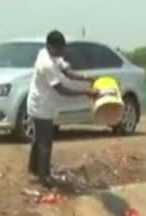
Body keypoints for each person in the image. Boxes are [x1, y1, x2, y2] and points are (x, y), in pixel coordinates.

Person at [27, 30, 95, 187]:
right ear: (50, 46)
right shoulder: (46, 63)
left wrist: (87, 78)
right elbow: (61, 89)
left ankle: (34, 169)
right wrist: (86, 92)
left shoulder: (50, 54)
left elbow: (67, 72)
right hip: (41, 105)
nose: (61, 52)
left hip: (42, 103)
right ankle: (43, 177)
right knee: (45, 141)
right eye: (59, 49)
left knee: (39, 139)